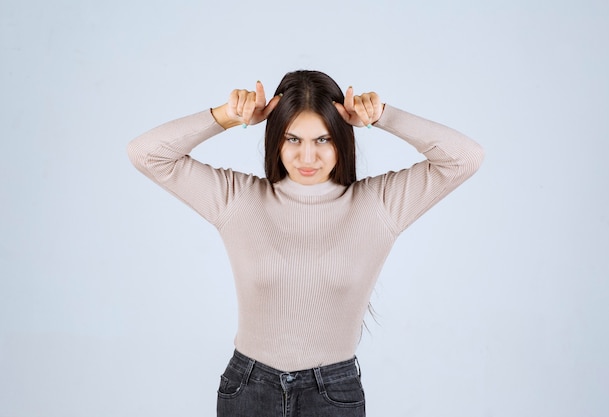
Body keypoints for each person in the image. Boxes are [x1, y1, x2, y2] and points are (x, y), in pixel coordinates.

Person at [127, 70, 484, 417]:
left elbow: (464, 157)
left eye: (323, 139)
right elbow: (146, 153)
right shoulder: (238, 199)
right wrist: (228, 116)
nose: (307, 157)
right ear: (274, 139)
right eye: (292, 139)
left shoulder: (379, 204)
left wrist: (383, 116)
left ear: (342, 139)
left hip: (332, 394)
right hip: (249, 389)